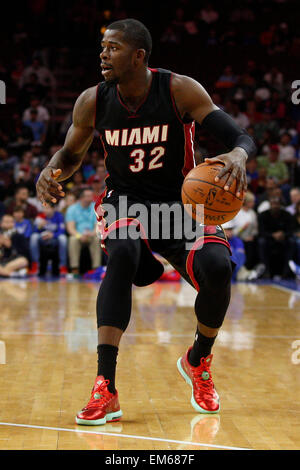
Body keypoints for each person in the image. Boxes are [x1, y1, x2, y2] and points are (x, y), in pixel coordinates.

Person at [36, 19, 256, 425]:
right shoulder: (93, 101)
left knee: (218, 269)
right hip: (127, 203)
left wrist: (239, 155)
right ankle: (106, 387)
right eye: (103, 47)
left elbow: (240, 137)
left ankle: (198, 360)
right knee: (120, 253)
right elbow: (69, 155)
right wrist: (49, 171)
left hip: (182, 205)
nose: (103, 54)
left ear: (139, 56)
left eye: (113, 47)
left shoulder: (178, 90)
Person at [65, 188, 101, 275]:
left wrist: (91, 233)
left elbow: (98, 226)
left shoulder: (95, 207)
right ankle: (75, 269)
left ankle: (96, 269)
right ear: (81, 198)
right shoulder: (72, 209)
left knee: (97, 239)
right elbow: (70, 228)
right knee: (73, 239)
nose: (91, 198)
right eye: (88, 196)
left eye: (91, 196)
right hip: (78, 236)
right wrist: (79, 236)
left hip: (91, 234)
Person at [29, 206, 68, 277]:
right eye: (44, 208)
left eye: (48, 208)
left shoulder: (59, 216)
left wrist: (53, 235)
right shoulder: (40, 216)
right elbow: (34, 231)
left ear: (53, 209)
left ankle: (63, 266)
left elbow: (62, 231)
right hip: (42, 237)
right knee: (33, 237)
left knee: (63, 238)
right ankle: (36, 264)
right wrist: (39, 226)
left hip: (55, 237)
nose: (45, 210)